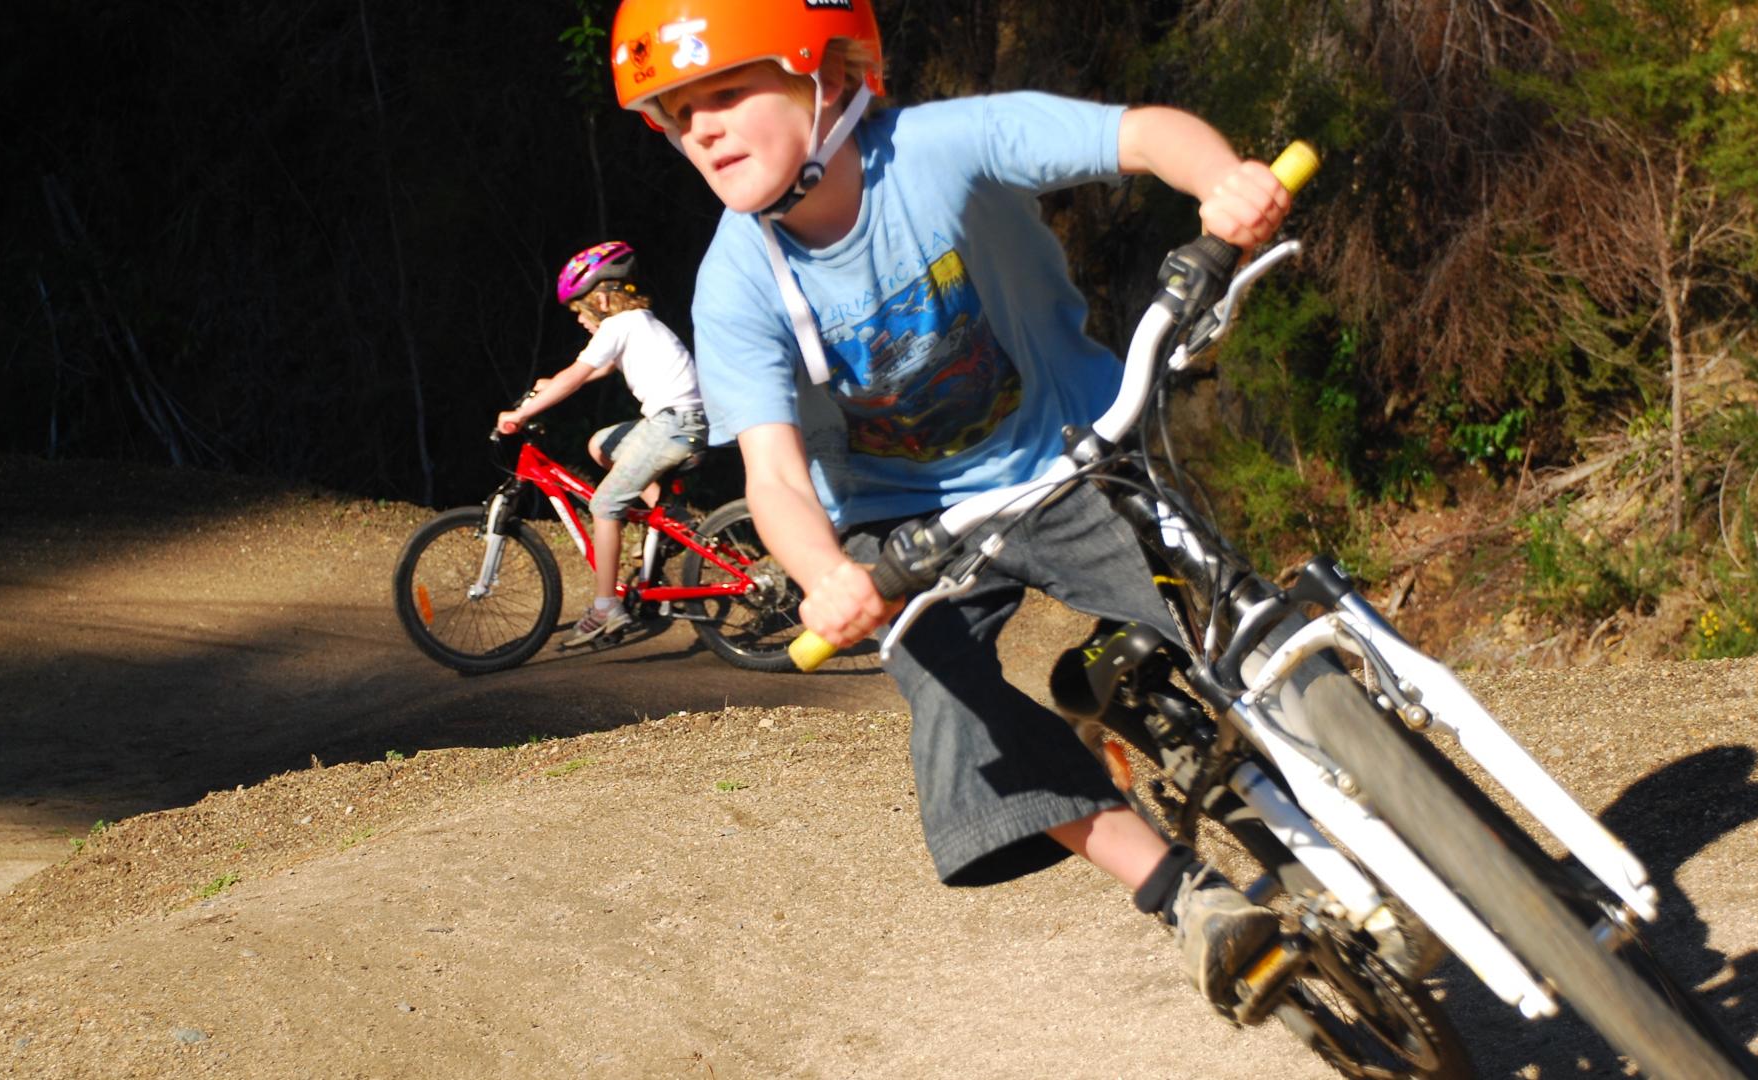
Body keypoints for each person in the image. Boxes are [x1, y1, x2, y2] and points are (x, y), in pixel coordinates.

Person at [606, 1, 1296, 1011]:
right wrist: (827, 575)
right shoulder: (733, 283)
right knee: (947, 696)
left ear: (829, 78)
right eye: (678, 112)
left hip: (1067, 448)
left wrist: (1222, 182)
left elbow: (1141, 134)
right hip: (905, 527)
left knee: (1221, 624)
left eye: (725, 91)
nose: (699, 126)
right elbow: (775, 476)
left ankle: (1309, 782)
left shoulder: (940, 148)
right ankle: (1182, 894)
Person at [497, 240, 708, 646]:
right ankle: (670, 516)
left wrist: (522, 414)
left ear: (604, 298)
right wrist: (549, 386)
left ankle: (605, 606)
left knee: (604, 505)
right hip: (679, 422)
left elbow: (578, 374)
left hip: (672, 426)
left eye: (581, 308)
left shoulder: (618, 325)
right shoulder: (639, 321)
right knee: (601, 445)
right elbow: (599, 368)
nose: (579, 318)